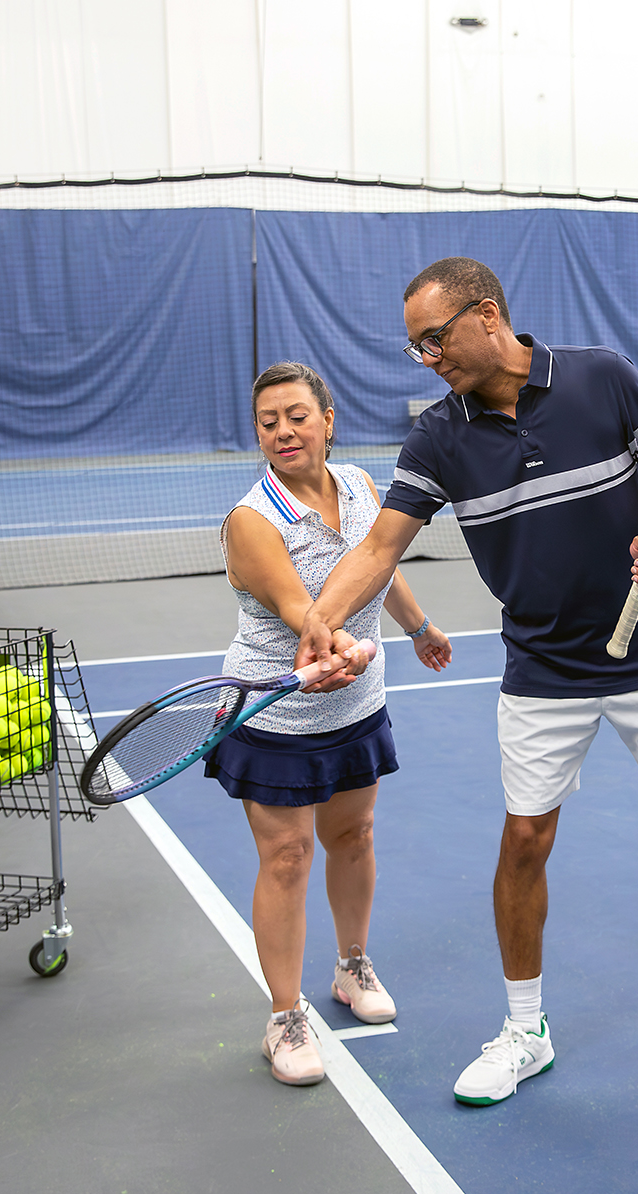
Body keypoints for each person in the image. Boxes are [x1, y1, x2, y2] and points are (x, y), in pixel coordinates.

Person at [294, 258, 638, 1105]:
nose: (428, 359)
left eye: (435, 339)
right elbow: (379, 547)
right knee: (524, 842)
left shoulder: (602, 378)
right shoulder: (438, 438)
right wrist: (323, 619)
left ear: (488, 315)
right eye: (416, 347)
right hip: (540, 669)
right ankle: (525, 1031)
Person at [212, 361, 453, 1087]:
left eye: (296, 416)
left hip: (354, 704)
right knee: (287, 858)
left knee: (354, 835)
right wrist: (339, 643)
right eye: (268, 422)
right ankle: (285, 1017)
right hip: (275, 713)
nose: (283, 431)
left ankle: (352, 967)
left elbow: (378, 564)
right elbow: (302, 611)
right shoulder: (252, 522)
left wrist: (417, 626)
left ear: (328, 419)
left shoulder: (358, 485)